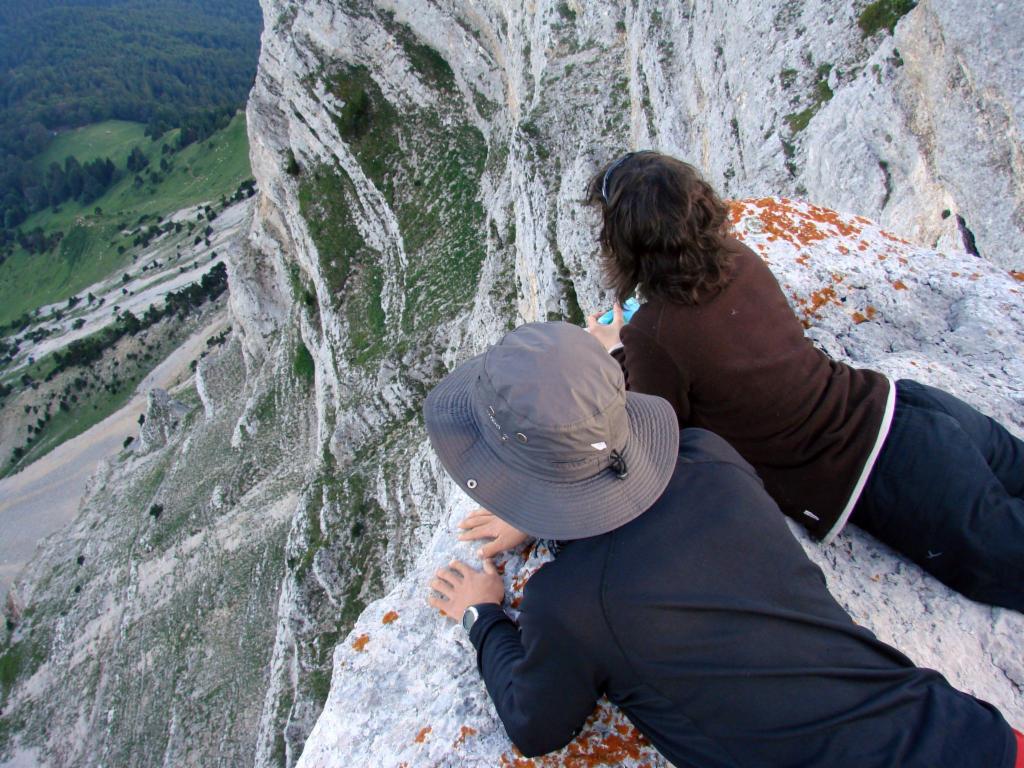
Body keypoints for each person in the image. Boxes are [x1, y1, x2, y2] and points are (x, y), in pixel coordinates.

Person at [423, 322, 1022, 767]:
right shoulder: (706, 456)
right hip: (967, 735)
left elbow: (536, 725)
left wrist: (484, 616)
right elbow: (645, 514)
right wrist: (549, 516)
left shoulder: (571, 604)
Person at [571, 150, 1024, 612]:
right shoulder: (737, 258)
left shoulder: (655, 332)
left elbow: (653, 433)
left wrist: (614, 351)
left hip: (886, 473)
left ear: (626, 245)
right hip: (906, 406)